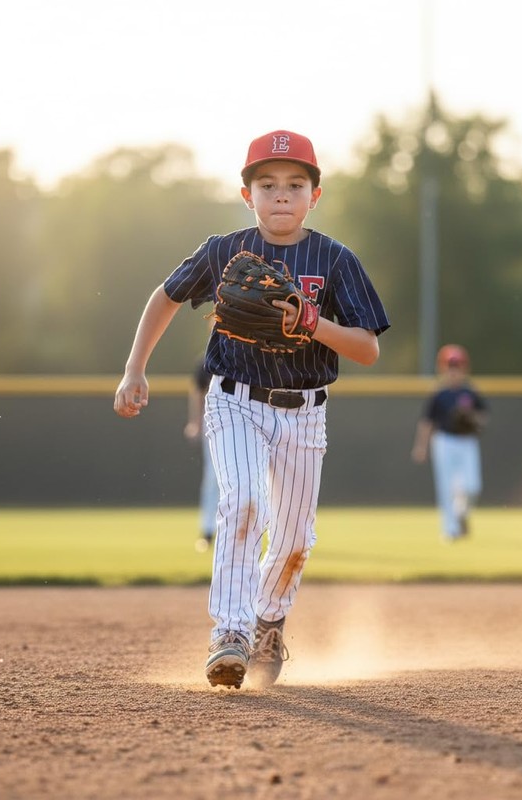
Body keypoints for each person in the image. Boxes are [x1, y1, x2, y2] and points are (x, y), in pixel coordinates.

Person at [114, 130, 390, 689]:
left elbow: (367, 347)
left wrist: (312, 322)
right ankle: (231, 632)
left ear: (316, 194)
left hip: (306, 411)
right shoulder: (224, 250)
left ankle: (268, 624)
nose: (281, 196)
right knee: (241, 501)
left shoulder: (334, 260)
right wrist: (134, 368)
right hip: (235, 398)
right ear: (248, 195)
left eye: (295, 184)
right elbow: (166, 295)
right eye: (267, 185)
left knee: (292, 541)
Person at [411, 344, 489, 541]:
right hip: (444, 441)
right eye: (450, 366)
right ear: (443, 368)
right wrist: (421, 446)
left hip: (467, 442)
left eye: (457, 366)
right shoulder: (439, 394)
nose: (454, 370)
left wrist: (472, 418)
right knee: (446, 488)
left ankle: (461, 514)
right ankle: (450, 530)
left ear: (464, 368)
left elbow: (483, 417)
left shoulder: (470, 393)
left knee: (472, 487)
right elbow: (427, 422)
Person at [184, 357, 218, 552]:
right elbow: (197, 391)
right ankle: (207, 531)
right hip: (212, 421)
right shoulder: (207, 360)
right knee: (212, 478)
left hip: (246, 420)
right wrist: (195, 421)